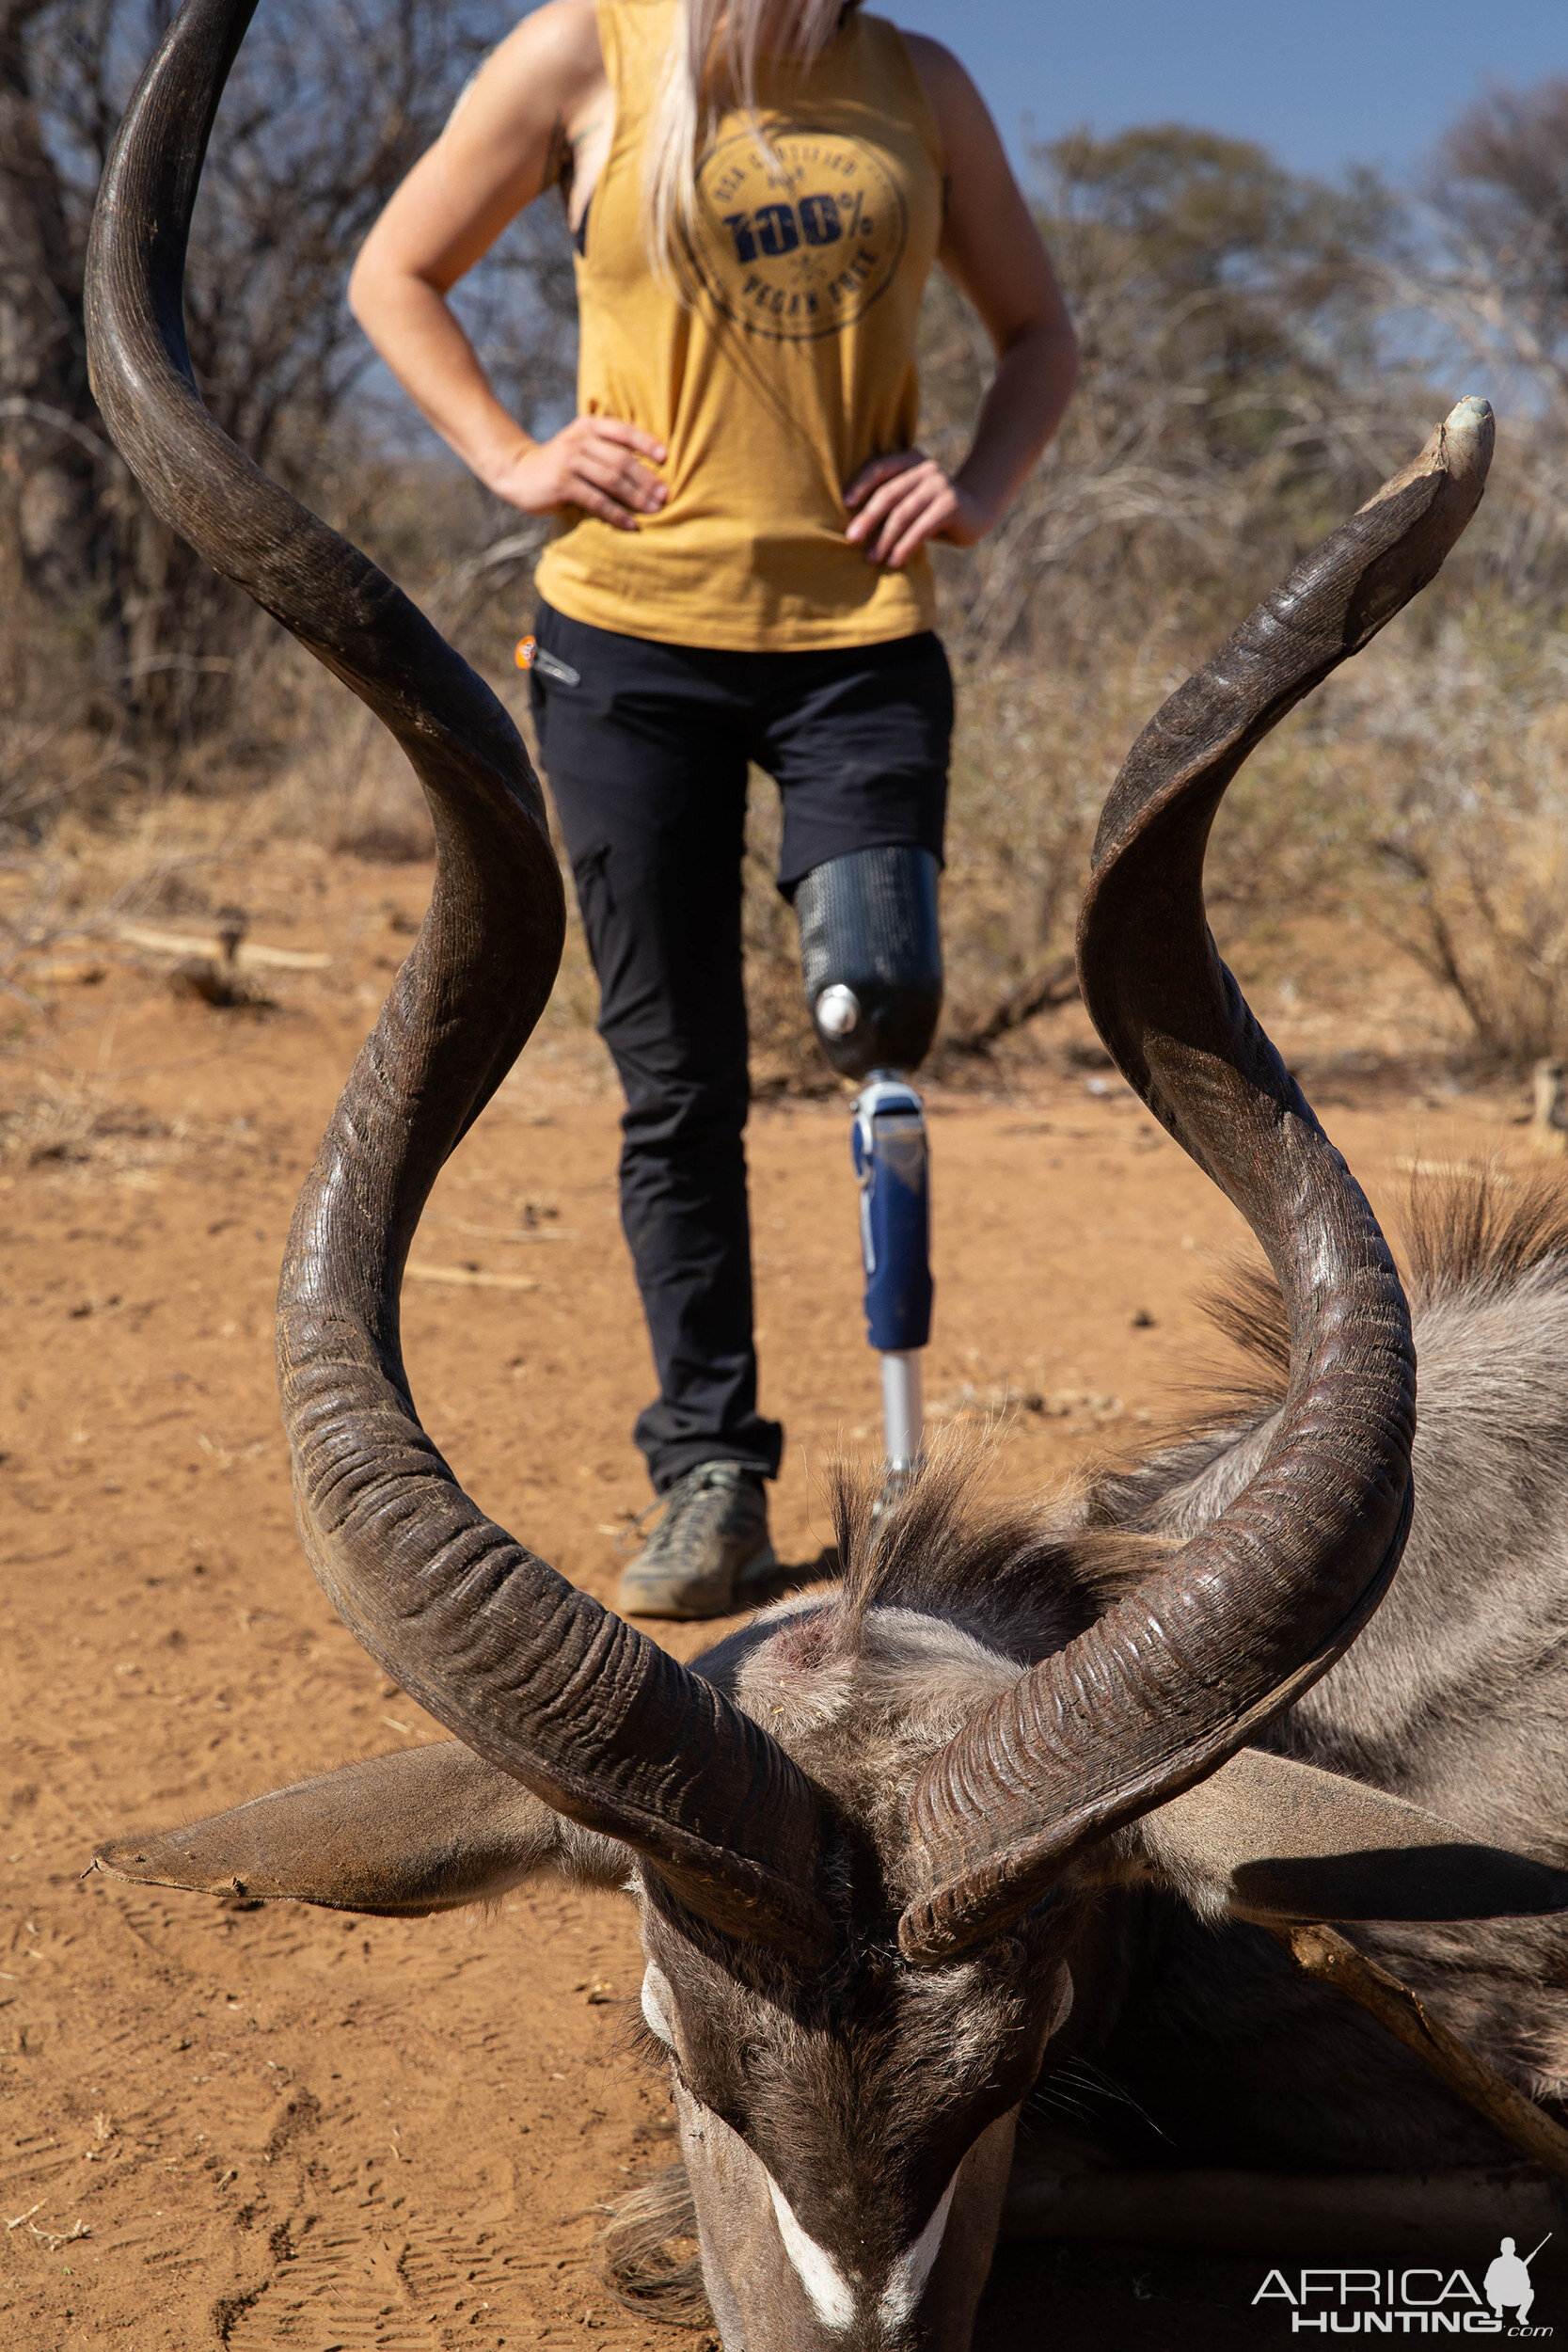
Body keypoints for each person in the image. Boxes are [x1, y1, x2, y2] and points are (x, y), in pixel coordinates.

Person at [348, 0, 1077, 1618]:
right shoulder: (582, 53)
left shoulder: (916, 81)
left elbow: (1041, 334)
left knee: (874, 1003)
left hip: (859, 648)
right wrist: (512, 455)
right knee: (677, 1080)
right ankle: (713, 1476)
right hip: (626, 645)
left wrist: (978, 487)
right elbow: (394, 274)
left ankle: (904, 1496)